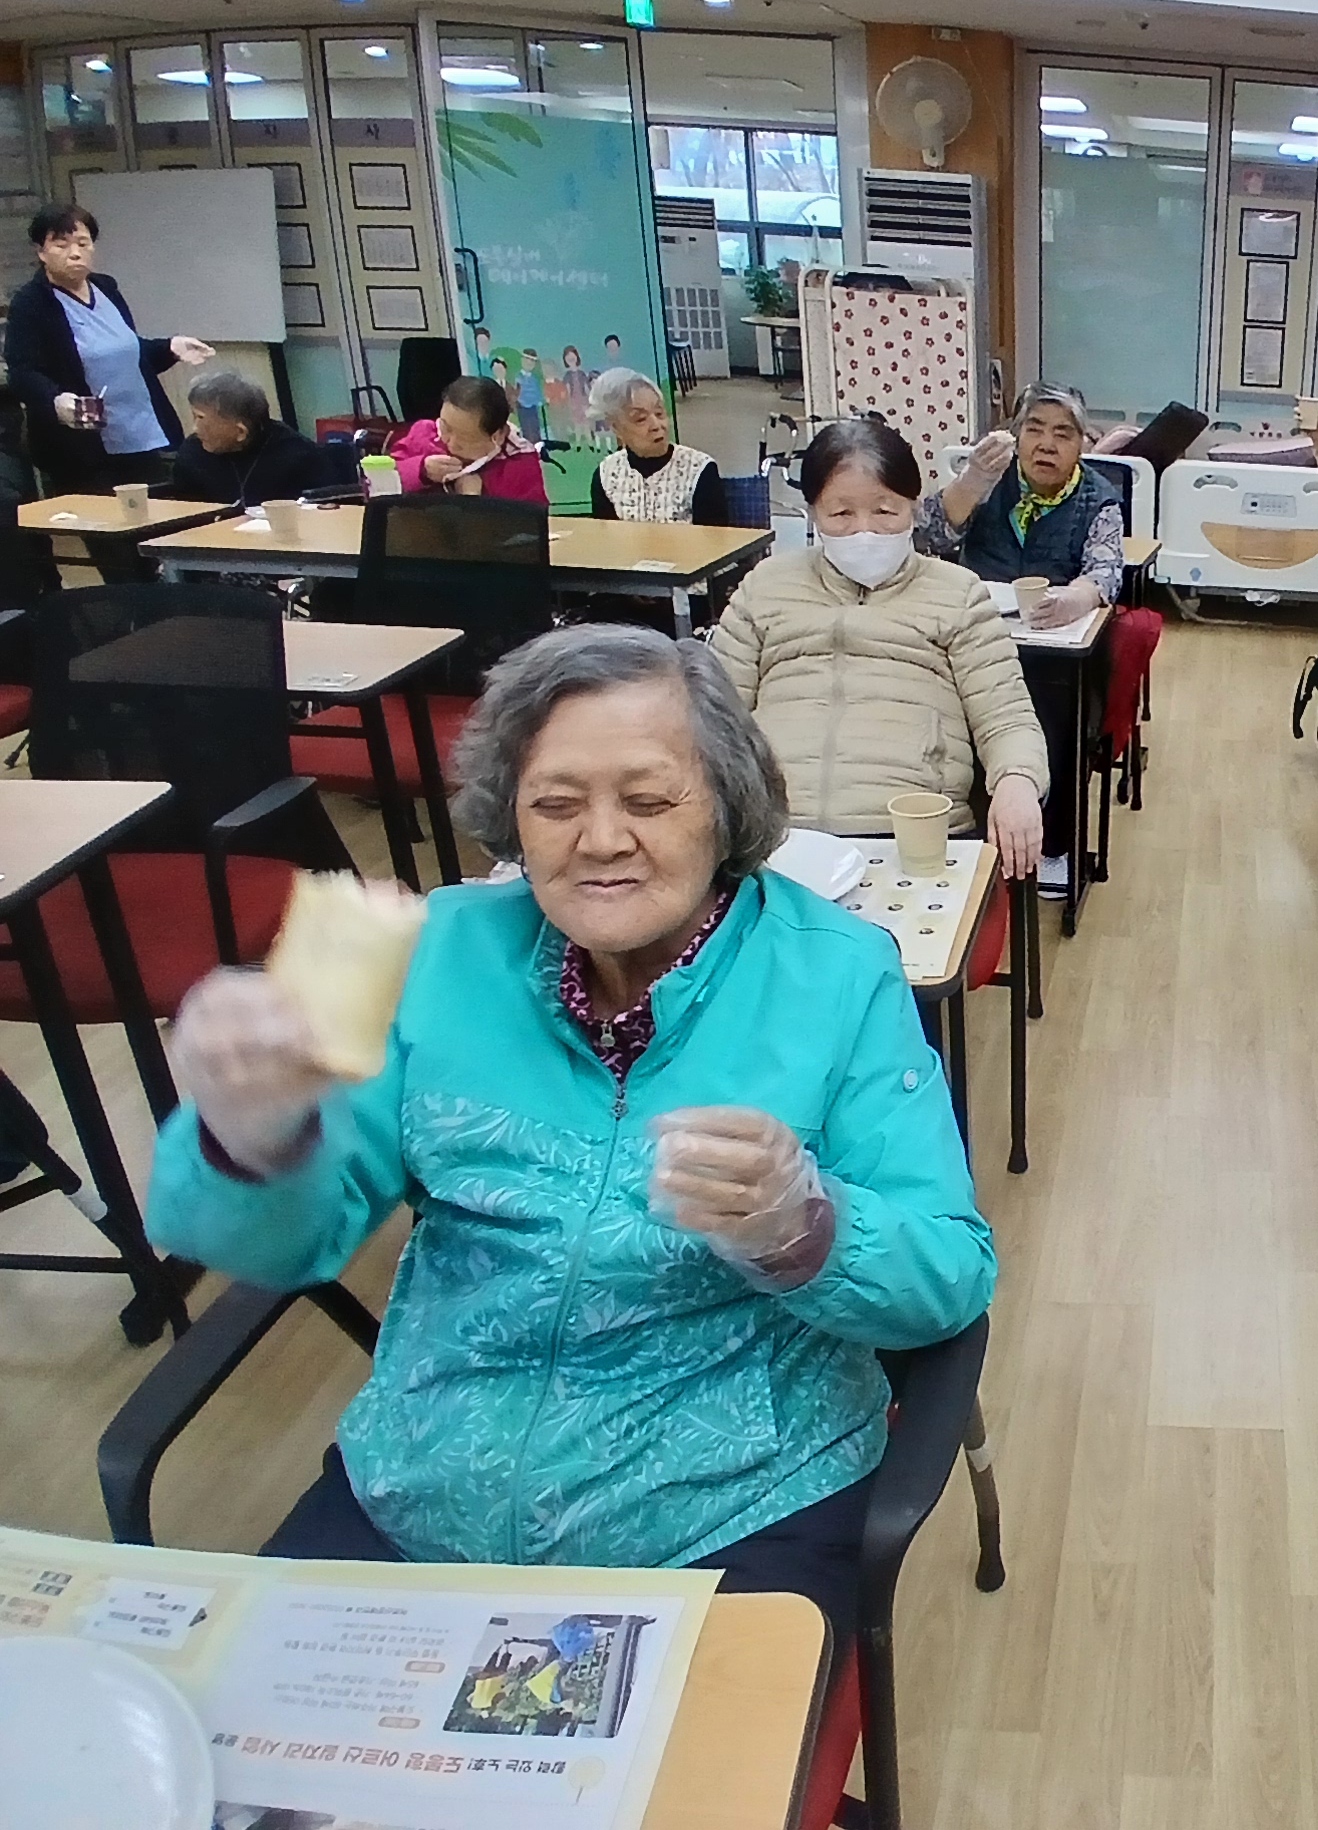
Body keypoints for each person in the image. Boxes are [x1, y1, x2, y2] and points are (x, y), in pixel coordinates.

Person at [146, 625, 996, 1635]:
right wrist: (252, 1140)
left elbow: (948, 1273)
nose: (599, 840)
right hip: (420, 1489)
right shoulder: (443, 952)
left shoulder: (835, 975)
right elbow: (284, 1244)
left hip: (731, 1509)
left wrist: (803, 1226)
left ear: (727, 805)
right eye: (555, 804)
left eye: (649, 801)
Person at [711, 419, 1048, 876]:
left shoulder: (958, 593)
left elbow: (1006, 715)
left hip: (913, 836)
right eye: (841, 514)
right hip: (775, 837)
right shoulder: (766, 586)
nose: (864, 531)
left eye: (885, 511)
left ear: (914, 508)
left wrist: (1017, 781)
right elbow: (712, 715)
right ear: (812, 513)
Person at [919, 382, 1123, 897]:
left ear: (1083, 444)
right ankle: (963, 833)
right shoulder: (989, 479)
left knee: (1054, 710)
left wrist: (1077, 598)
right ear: (1016, 435)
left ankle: (1051, 845)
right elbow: (928, 537)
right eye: (1035, 429)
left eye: (1063, 433)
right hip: (974, 635)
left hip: (1056, 652)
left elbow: (1105, 572)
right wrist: (970, 482)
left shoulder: (1098, 498)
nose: (1047, 444)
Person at [5, 202, 215, 576]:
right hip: (81, 447)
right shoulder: (31, 303)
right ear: (41, 251)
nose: (75, 253)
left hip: (138, 433)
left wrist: (169, 347)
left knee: (158, 540)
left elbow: (125, 351)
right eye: (61, 245)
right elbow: (22, 372)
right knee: (119, 555)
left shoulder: (106, 287)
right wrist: (56, 400)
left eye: (83, 243)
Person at [169, 369, 336, 509]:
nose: (195, 428)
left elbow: (323, 510)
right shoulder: (192, 452)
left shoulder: (298, 453)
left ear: (240, 431)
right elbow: (185, 512)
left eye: (200, 418)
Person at [588, 367, 725, 526]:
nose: (656, 425)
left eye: (659, 413)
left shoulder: (700, 470)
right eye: (641, 419)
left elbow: (716, 538)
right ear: (616, 428)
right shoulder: (607, 475)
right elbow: (605, 538)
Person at [391, 375, 548, 504]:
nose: (450, 443)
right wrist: (421, 471)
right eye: (446, 428)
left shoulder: (519, 462)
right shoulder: (425, 433)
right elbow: (382, 482)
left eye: (464, 440)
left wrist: (476, 501)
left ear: (497, 437)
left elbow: (531, 522)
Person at [560, 345, 597, 432]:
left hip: (583, 400)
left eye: (572, 355)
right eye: (567, 356)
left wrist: (590, 401)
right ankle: (578, 439)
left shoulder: (582, 374)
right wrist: (568, 403)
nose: (570, 358)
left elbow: (586, 388)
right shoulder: (567, 376)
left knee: (586, 422)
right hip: (573, 402)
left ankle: (589, 438)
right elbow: (567, 390)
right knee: (577, 424)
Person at [515, 348, 548, 443]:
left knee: (535, 428)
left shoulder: (534, 379)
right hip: (523, 408)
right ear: (522, 360)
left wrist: (541, 400)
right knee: (526, 429)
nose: (529, 363)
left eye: (532, 361)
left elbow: (537, 392)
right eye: (527, 360)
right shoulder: (518, 377)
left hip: (533, 408)